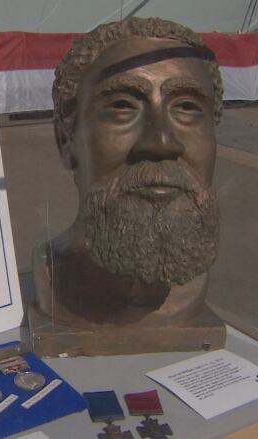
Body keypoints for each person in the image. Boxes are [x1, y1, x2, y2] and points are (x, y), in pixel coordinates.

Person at [32, 17, 225, 328]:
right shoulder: (52, 276)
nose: (161, 142)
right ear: (66, 142)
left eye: (187, 107)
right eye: (123, 106)